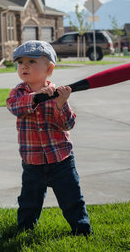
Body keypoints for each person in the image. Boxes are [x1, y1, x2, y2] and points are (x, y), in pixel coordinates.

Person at [6, 40, 91, 236]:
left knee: (72, 199)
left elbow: (68, 125)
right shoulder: (17, 93)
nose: (24, 66)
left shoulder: (58, 94)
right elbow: (14, 107)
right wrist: (36, 97)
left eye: (32, 61)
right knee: (29, 201)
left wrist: (61, 103)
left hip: (61, 161)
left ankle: (82, 230)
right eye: (20, 62)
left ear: (49, 68)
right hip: (32, 162)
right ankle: (25, 229)